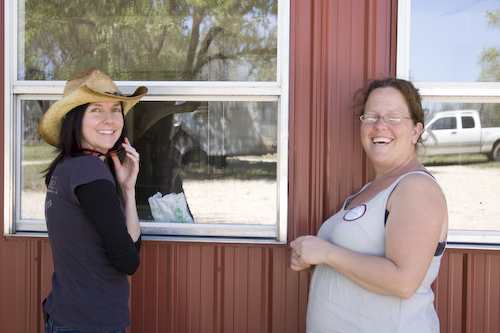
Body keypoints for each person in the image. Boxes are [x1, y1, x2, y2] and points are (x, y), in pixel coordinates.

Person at [290, 78, 448, 332]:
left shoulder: (417, 188)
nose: (380, 126)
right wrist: (315, 260)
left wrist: (326, 252)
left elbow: (403, 282)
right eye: (371, 117)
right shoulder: (372, 190)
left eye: (394, 117)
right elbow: (355, 265)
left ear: (416, 131)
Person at [38, 68, 148, 333]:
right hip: (91, 322)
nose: (110, 120)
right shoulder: (89, 171)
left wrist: (127, 190)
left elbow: (123, 248)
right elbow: (128, 261)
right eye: (96, 110)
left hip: (68, 314)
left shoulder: (67, 167)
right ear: (75, 119)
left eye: (116, 110)